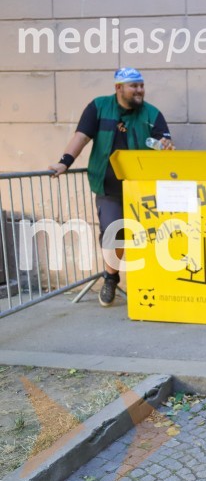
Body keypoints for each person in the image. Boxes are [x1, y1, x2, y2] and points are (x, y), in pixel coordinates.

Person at [48, 67, 174, 307]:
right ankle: (111, 277)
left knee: (151, 236)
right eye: (134, 86)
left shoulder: (152, 113)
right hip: (109, 188)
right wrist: (65, 162)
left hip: (144, 188)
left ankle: (155, 286)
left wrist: (166, 145)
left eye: (141, 86)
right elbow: (81, 137)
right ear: (118, 88)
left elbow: (165, 142)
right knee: (112, 235)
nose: (140, 90)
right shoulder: (98, 107)